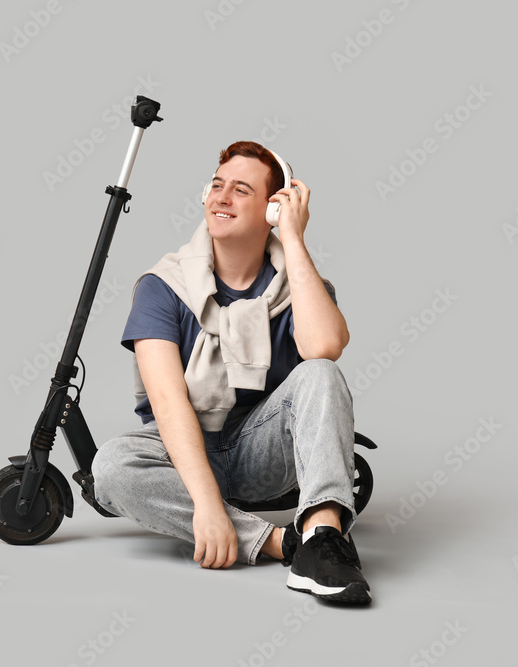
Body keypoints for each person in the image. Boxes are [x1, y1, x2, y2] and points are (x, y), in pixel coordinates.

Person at [91, 140, 370, 605]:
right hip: (183, 450)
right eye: (217, 185)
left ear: (274, 209)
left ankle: (325, 539)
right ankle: (286, 545)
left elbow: (323, 349)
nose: (221, 198)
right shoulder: (164, 286)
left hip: (261, 453)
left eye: (241, 190)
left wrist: (295, 240)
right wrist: (205, 505)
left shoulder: (301, 286)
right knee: (112, 468)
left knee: (319, 372)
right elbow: (167, 402)